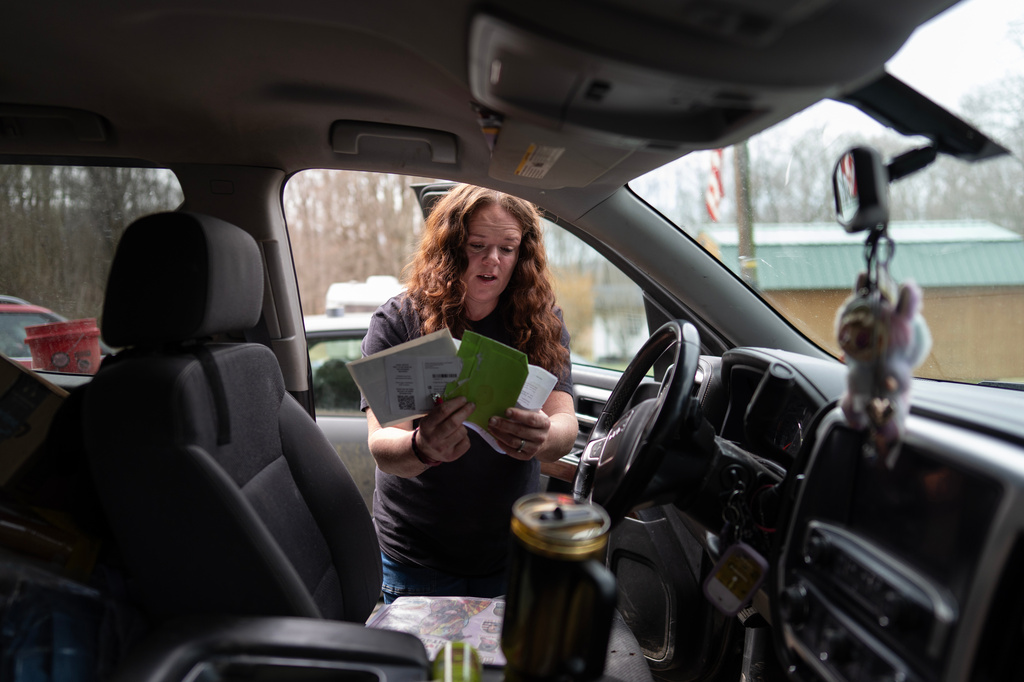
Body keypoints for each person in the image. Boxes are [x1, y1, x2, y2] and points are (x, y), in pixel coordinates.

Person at [361, 183, 578, 603]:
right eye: (477, 245)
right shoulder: (398, 321)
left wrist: (542, 436)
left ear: (523, 254)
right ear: (450, 247)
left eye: (508, 248)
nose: (492, 260)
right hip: (417, 556)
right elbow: (383, 445)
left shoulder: (541, 320)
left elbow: (565, 424)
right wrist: (422, 446)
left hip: (510, 551)